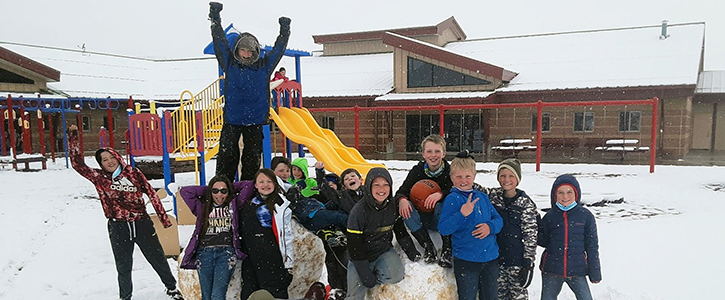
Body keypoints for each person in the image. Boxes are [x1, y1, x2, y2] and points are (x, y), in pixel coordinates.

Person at [66, 125, 184, 300]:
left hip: (142, 223)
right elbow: (78, 164)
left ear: (117, 156)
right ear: (101, 164)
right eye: (104, 160)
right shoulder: (99, 178)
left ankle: (172, 288)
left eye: (111, 157)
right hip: (118, 227)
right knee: (123, 266)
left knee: (157, 258)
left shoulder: (133, 173)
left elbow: (151, 192)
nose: (109, 161)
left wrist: (163, 218)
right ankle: (125, 297)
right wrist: (73, 137)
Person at [208, 2, 290, 181]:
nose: (246, 54)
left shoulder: (264, 67)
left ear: (255, 52)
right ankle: (223, 192)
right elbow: (219, 42)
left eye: (249, 51)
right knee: (227, 158)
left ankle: (248, 194)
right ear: (237, 50)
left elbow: (278, 51)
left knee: (252, 161)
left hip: (255, 121)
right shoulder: (229, 64)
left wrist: (284, 31)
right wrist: (215, 17)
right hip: (232, 120)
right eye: (242, 50)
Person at [346, 168, 420, 300]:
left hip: (382, 251)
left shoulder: (392, 206)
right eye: (376, 185)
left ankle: (374, 281)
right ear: (368, 186)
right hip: (360, 256)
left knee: (397, 275)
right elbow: (354, 246)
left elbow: (401, 233)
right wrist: (364, 273)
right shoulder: (358, 212)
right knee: (354, 296)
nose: (382, 189)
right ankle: (365, 281)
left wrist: (412, 252)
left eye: (386, 185)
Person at [439, 150, 503, 300]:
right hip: (467, 261)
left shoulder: (482, 197)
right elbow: (443, 228)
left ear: (474, 176)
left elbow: (498, 220)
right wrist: (462, 214)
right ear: (452, 177)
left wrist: (490, 227)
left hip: (490, 259)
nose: (463, 180)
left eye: (468, 176)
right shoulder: (452, 199)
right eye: (459, 176)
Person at [178, 175, 255, 300]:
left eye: (223, 191)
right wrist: (208, 190)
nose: (219, 194)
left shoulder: (234, 204)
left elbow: (249, 185)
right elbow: (185, 191)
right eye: (215, 191)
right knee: (206, 296)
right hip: (204, 253)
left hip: (226, 253)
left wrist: (230, 188)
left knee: (217, 295)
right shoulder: (202, 206)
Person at [474, 159, 538, 300]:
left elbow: (530, 236)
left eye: (511, 176)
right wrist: (465, 162)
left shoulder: (525, 204)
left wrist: (528, 263)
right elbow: (473, 186)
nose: (506, 180)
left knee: (518, 296)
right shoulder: (493, 195)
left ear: (518, 179)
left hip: (517, 263)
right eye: (502, 176)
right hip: (497, 260)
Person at [395, 134, 454, 267]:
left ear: (443, 153)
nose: (433, 155)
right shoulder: (417, 171)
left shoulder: (450, 172)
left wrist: (441, 194)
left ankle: (446, 249)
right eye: (429, 151)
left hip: (440, 220)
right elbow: (400, 192)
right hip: (420, 220)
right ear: (423, 154)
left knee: (446, 202)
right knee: (405, 205)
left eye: (437, 151)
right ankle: (428, 247)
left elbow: (456, 191)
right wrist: (402, 199)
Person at [538, 174, 601, 300]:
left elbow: (592, 246)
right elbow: (543, 241)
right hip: (552, 269)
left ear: (576, 194)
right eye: (560, 192)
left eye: (569, 192)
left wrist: (595, 272)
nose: (565, 196)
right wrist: (537, 224)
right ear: (554, 195)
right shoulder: (550, 216)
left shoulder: (585, 216)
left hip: (577, 270)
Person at [238, 169, 294, 300]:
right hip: (251, 256)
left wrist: (288, 261)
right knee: (249, 292)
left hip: (271, 254)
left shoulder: (281, 204)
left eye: (269, 181)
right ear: (255, 185)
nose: (265, 185)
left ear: (275, 183)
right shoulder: (248, 203)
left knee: (274, 292)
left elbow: (286, 234)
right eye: (261, 182)